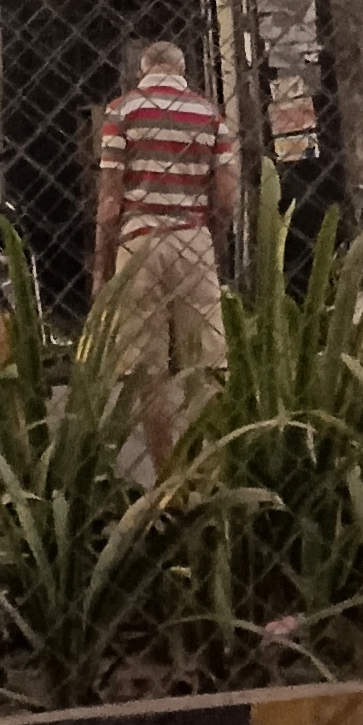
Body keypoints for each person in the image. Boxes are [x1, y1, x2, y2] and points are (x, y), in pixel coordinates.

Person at [90, 36, 237, 465]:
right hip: (193, 237)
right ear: (182, 70)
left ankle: (166, 470)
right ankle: (210, 465)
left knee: (146, 367)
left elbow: (110, 200)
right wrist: (211, 237)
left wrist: (101, 268)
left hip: (139, 240)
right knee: (206, 360)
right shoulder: (210, 115)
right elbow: (227, 197)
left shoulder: (121, 112)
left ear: (143, 69)